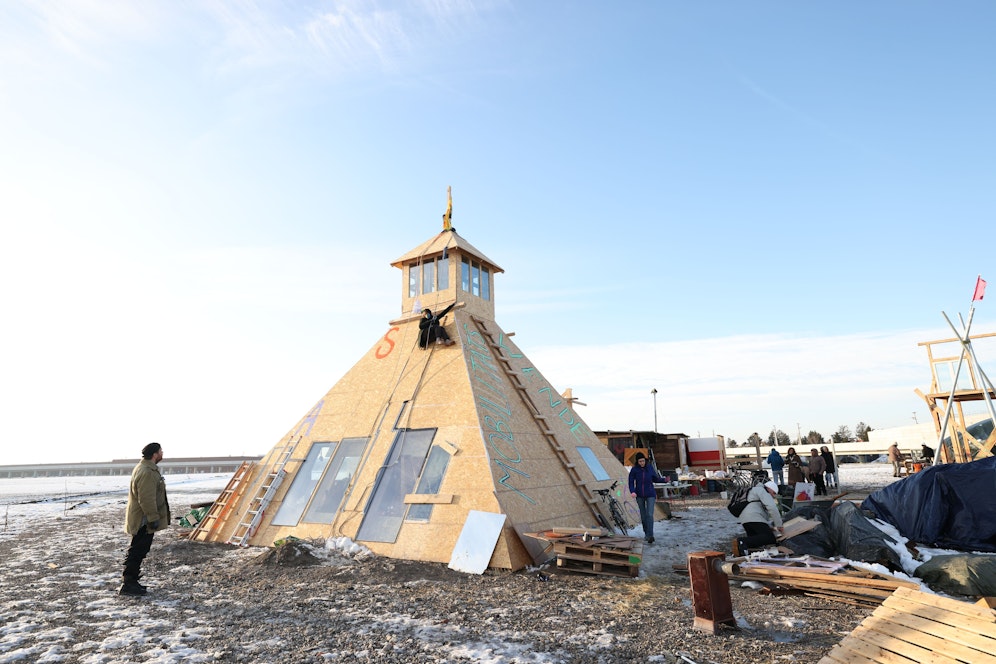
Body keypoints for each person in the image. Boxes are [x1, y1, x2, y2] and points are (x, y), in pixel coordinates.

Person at [121, 442, 170, 596]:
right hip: (144, 519)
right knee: (138, 549)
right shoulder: (148, 471)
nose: (162, 454)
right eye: (161, 451)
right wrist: (153, 517)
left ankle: (131, 581)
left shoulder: (145, 468)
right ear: (155, 454)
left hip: (143, 517)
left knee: (139, 548)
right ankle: (129, 583)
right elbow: (146, 498)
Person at [628, 452, 667, 544]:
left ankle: (650, 535)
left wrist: (664, 480)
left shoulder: (649, 467)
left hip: (650, 494)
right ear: (637, 462)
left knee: (649, 514)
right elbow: (630, 482)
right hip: (639, 495)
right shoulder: (634, 470)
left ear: (645, 460)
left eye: (643, 461)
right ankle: (646, 533)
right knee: (643, 515)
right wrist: (632, 491)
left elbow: (655, 479)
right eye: (640, 461)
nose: (642, 463)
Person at [735, 480, 784, 554]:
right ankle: (741, 541)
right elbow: (772, 508)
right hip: (754, 517)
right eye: (773, 493)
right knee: (769, 538)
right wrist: (779, 525)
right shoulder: (763, 491)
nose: (773, 496)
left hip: (745, 519)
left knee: (754, 541)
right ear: (769, 488)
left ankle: (746, 553)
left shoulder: (755, 491)